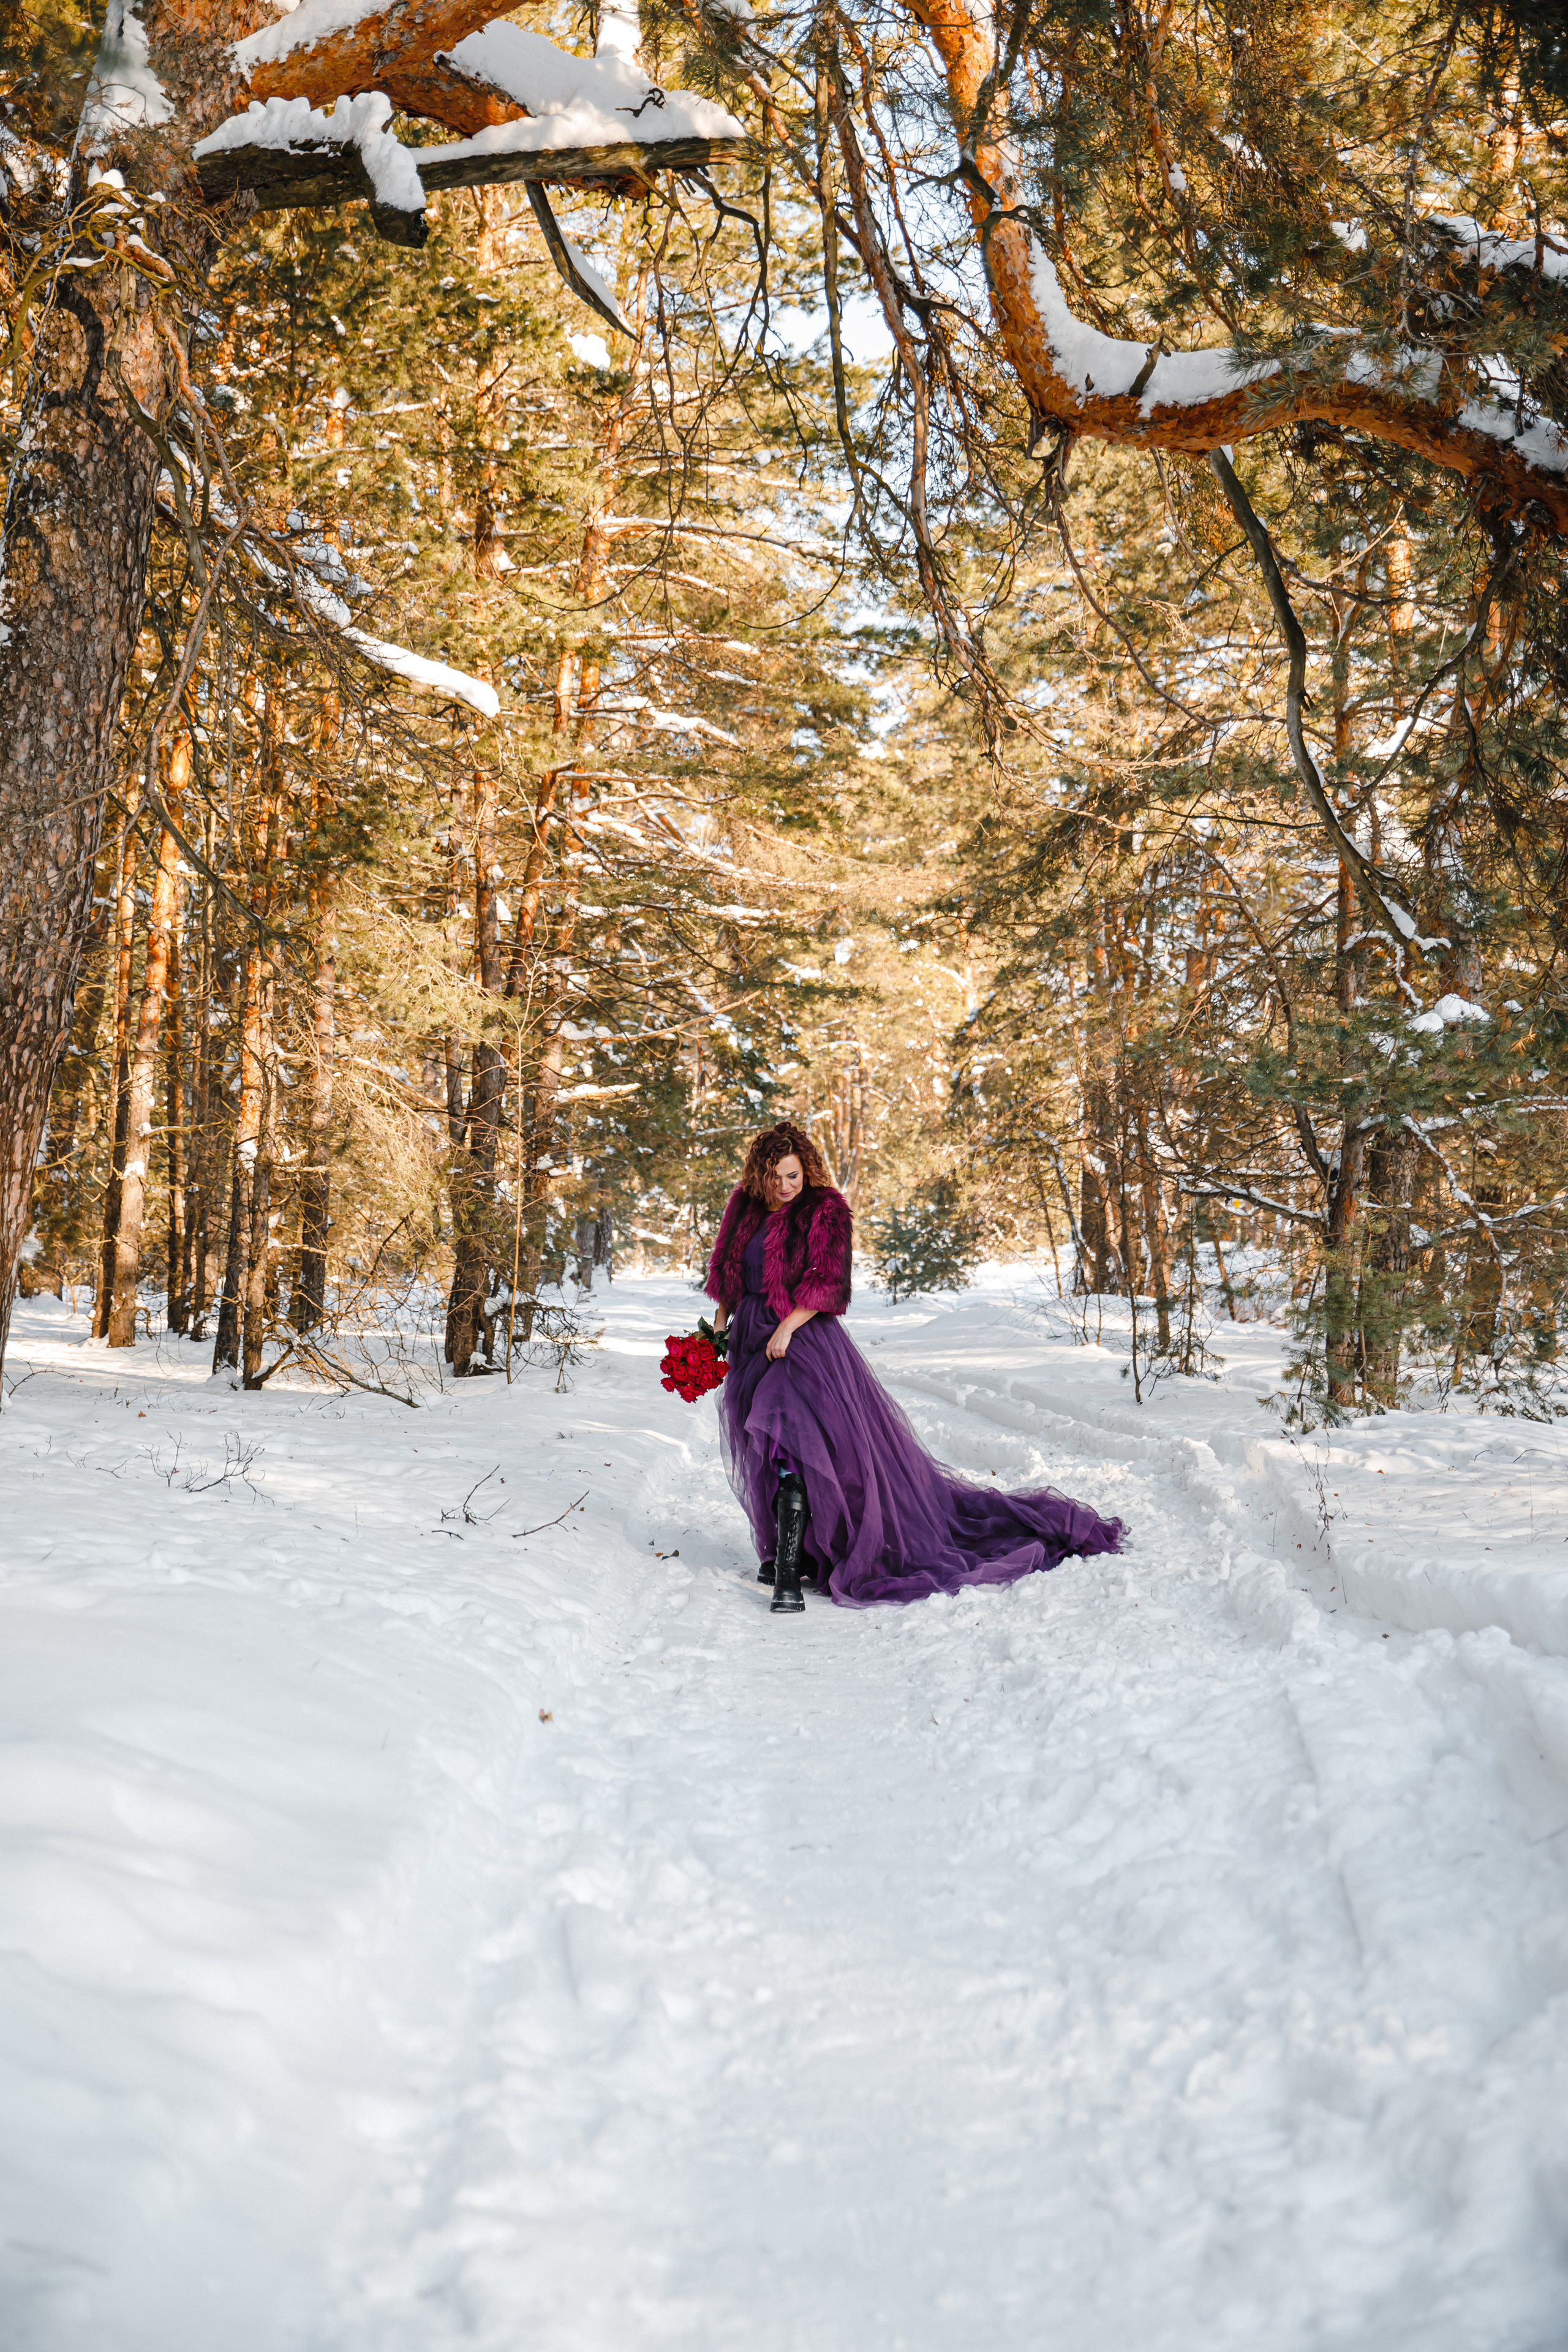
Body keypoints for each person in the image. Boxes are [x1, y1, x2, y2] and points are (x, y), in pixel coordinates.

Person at [706, 1120, 1125, 1613]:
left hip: (803, 1341)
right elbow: (726, 1276)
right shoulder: (745, 1208)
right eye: (776, 1176)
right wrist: (714, 1333)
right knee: (766, 1449)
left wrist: (788, 1327)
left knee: (793, 1443)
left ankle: (788, 1580)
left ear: (807, 1173)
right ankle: (789, 1555)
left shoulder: (825, 1210)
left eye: (793, 1176)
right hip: (752, 1341)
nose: (784, 1186)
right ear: (760, 1174)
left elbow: (828, 1284)